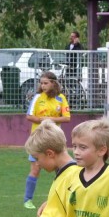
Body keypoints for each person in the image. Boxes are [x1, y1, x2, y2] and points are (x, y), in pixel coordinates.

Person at [23, 71, 70, 209]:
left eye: (46, 83)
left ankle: (61, 198)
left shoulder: (61, 98)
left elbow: (67, 118)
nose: (43, 86)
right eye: (41, 83)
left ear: (53, 83)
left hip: (55, 140)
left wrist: (51, 120)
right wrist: (40, 120)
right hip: (38, 140)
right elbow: (29, 116)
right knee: (35, 169)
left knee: (61, 169)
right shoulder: (38, 97)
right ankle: (27, 200)